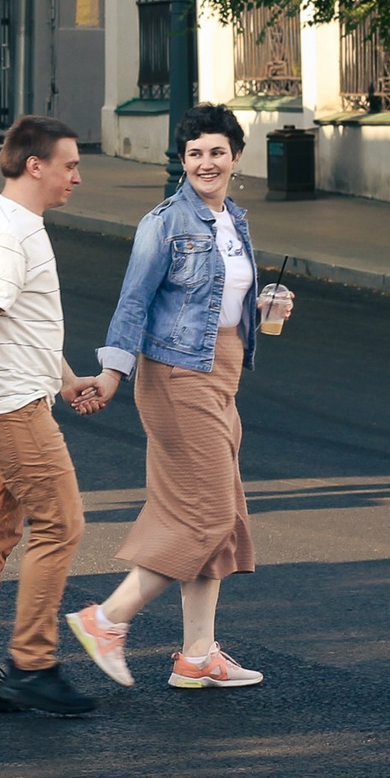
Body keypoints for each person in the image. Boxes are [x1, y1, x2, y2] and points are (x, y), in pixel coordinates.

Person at [67, 103, 292, 691]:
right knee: (208, 513)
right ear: (183, 161)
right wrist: (112, 374)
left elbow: (215, 300)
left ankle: (197, 655)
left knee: (216, 512)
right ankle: (106, 619)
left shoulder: (233, 220)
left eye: (217, 152)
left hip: (222, 376)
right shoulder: (165, 222)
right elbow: (134, 301)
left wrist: (263, 308)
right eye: (195, 154)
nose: (206, 163)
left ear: (236, 157)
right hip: (176, 377)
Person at [0, 114, 110, 717]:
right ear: (35, 166)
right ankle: (34, 664)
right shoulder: (6, 234)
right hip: (7, 410)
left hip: (6, 403)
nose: (77, 178)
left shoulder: (20, 225)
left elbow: (22, 327)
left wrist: (66, 379)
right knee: (62, 522)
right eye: (70, 166)